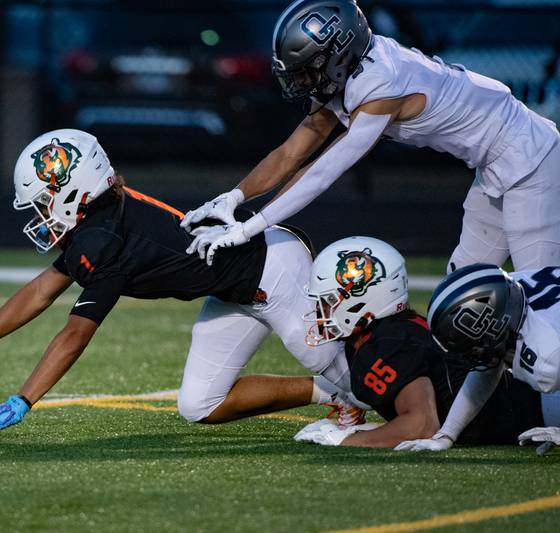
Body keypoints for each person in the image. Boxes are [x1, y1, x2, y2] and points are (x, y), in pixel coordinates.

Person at [0, 129, 359, 431]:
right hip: (233, 287)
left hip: (272, 271)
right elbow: (43, 288)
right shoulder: (101, 218)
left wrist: (23, 399)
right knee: (199, 405)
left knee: (352, 371)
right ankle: (333, 397)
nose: (42, 216)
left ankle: (416, 412)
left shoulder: (100, 239)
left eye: (45, 202)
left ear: (72, 191)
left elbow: (74, 335)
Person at [181, 0, 560, 273]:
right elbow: (291, 153)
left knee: (540, 294)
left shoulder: (381, 83)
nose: (301, 81)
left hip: (530, 157)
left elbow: (321, 174)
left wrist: (249, 228)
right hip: (491, 164)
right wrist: (233, 198)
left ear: (339, 57)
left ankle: (546, 386)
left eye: (306, 70)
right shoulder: (348, 69)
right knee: (460, 291)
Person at [288, 237, 554, 449]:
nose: (320, 311)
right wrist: (446, 435)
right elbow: (485, 368)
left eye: (328, 301)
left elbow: (421, 425)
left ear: (361, 299)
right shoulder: (397, 330)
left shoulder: (385, 345)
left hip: (542, 400)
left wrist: (344, 441)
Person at [395, 264, 560, 452]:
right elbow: (487, 368)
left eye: (474, 348)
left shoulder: (547, 355)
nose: (473, 356)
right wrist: (446, 435)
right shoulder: (509, 288)